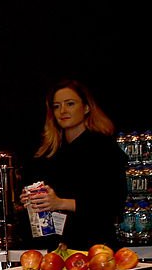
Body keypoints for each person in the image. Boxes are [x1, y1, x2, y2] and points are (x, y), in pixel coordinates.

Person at [22, 79, 128, 249]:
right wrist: (33, 199)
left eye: (69, 104)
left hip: (95, 248)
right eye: (56, 106)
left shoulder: (104, 148)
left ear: (86, 108)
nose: (62, 111)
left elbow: (113, 205)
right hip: (55, 246)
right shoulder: (48, 151)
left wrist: (60, 203)